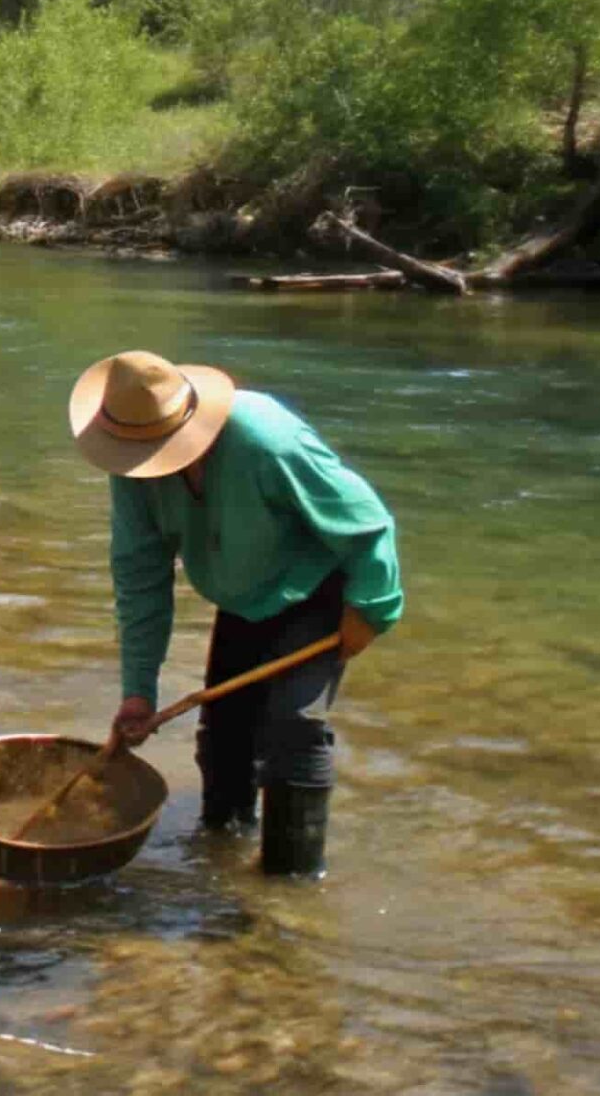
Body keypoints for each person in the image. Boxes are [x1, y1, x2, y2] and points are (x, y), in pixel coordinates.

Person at [71, 349, 402, 878]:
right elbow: (140, 577)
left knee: (293, 728)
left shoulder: (265, 440)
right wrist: (138, 690)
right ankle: (220, 861)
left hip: (316, 587)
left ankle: (291, 888)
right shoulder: (130, 461)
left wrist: (372, 607)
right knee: (223, 738)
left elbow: (367, 525)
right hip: (244, 597)